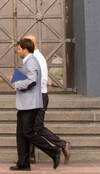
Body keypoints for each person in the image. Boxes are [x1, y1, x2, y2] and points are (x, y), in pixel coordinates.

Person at [9, 37, 62, 171]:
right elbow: (28, 77)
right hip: (25, 104)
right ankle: (23, 163)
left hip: (30, 104)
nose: (18, 51)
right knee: (21, 134)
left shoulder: (31, 61)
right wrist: (17, 77)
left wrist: (17, 84)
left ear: (25, 50)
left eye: (19, 49)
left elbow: (32, 81)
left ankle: (53, 151)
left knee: (28, 133)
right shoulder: (28, 62)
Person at [26, 32, 70, 164]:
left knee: (37, 127)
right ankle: (30, 155)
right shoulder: (35, 57)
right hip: (38, 95)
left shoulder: (35, 58)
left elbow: (35, 78)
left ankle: (62, 144)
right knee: (29, 127)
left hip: (38, 96)